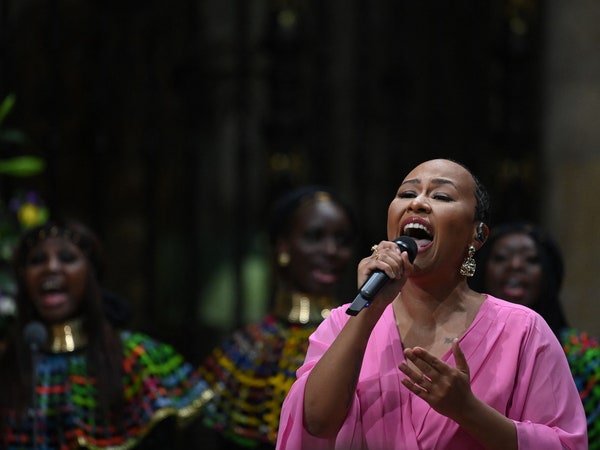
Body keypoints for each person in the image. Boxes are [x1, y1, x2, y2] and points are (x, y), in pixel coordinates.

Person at [277, 158, 587, 449]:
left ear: (477, 236)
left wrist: (467, 411)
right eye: (407, 193)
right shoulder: (345, 321)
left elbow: (563, 444)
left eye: (441, 196)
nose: (418, 203)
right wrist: (369, 309)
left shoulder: (523, 331)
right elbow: (316, 423)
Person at [0, 220, 213, 449]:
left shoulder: (136, 358)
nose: (51, 268)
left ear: (90, 272)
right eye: (37, 260)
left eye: (67, 258)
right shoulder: (8, 362)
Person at [198, 185, 358, 449]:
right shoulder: (243, 351)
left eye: (343, 240)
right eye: (314, 237)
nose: (331, 250)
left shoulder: (363, 337)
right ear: (283, 247)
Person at [469, 220, 600, 448]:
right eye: (500, 258)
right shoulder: (461, 340)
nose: (516, 265)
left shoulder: (584, 355)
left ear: (548, 275)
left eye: (532, 260)